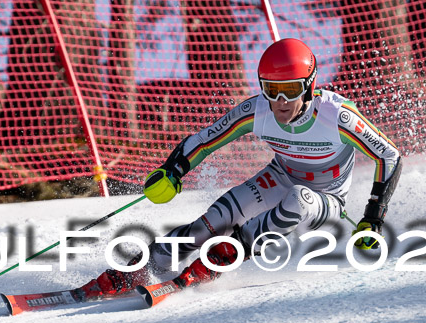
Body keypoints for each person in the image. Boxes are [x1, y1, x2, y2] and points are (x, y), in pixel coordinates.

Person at [78, 38, 402, 299]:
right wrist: (172, 171)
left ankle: (227, 253)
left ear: (309, 85)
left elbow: (389, 156)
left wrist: (373, 217)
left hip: (325, 199)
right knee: (207, 225)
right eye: (271, 89)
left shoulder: (336, 115)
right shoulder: (258, 110)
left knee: (300, 199)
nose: (281, 101)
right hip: (279, 177)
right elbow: (206, 140)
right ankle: (147, 266)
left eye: (290, 90)